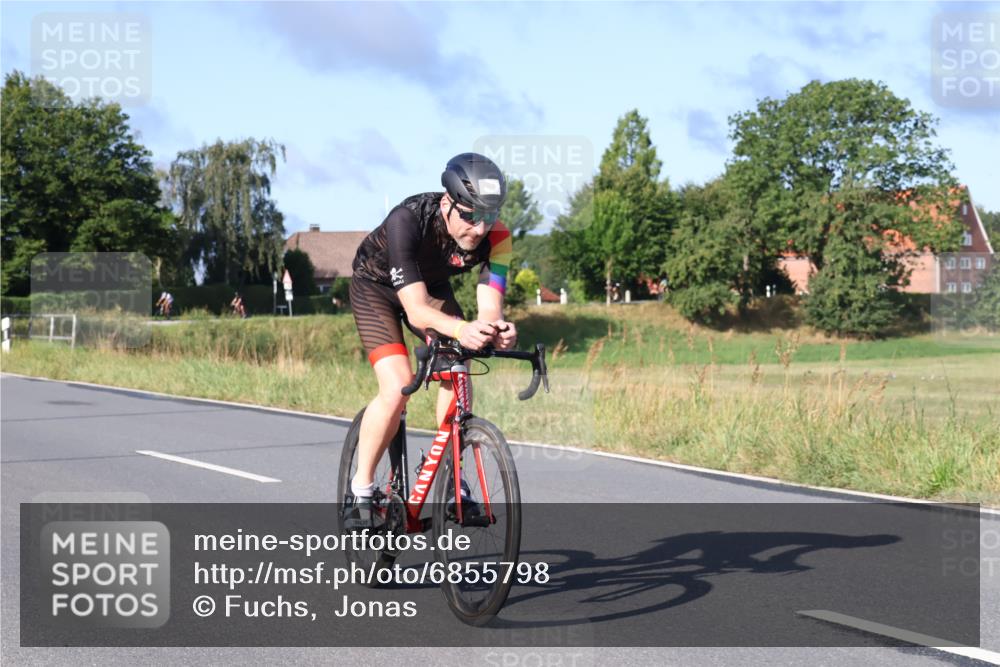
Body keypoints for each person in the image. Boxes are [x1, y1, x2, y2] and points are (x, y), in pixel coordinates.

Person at [344, 153, 518, 529]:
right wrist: (461, 329)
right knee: (397, 386)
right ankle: (361, 490)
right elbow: (417, 310)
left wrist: (496, 329)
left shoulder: (500, 238)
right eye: (470, 215)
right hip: (376, 288)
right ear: (447, 203)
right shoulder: (407, 220)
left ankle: (451, 476)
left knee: (460, 361)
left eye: (489, 216)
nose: (479, 228)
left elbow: (490, 307)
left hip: (430, 287)